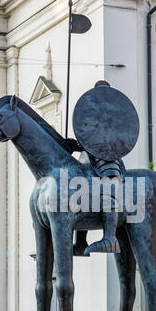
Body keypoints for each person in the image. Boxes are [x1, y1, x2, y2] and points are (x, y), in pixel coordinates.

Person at [65, 81, 123, 255]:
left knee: (108, 188)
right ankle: (80, 241)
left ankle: (110, 238)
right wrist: (75, 145)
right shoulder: (93, 115)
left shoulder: (114, 115)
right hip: (89, 157)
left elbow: (113, 136)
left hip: (108, 157)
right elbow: (87, 136)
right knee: (78, 189)